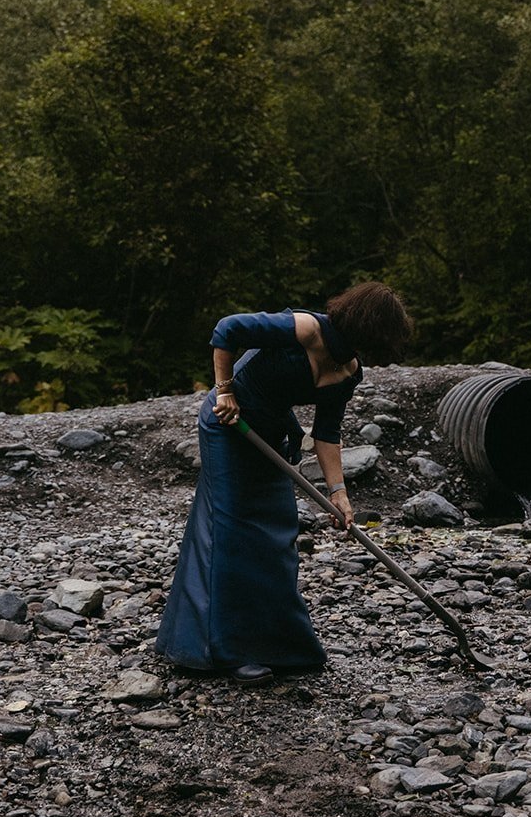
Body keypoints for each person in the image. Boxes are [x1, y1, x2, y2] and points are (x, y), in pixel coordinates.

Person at [156, 282, 413, 685]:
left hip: (270, 434)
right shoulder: (306, 329)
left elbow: (327, 433)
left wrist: (339, 494)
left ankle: (282, 644)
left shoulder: (349, 371)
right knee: (233, 529)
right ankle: (227, 650)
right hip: (229, 425)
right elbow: (226, 330)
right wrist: (224, 391)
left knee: (277, 530)